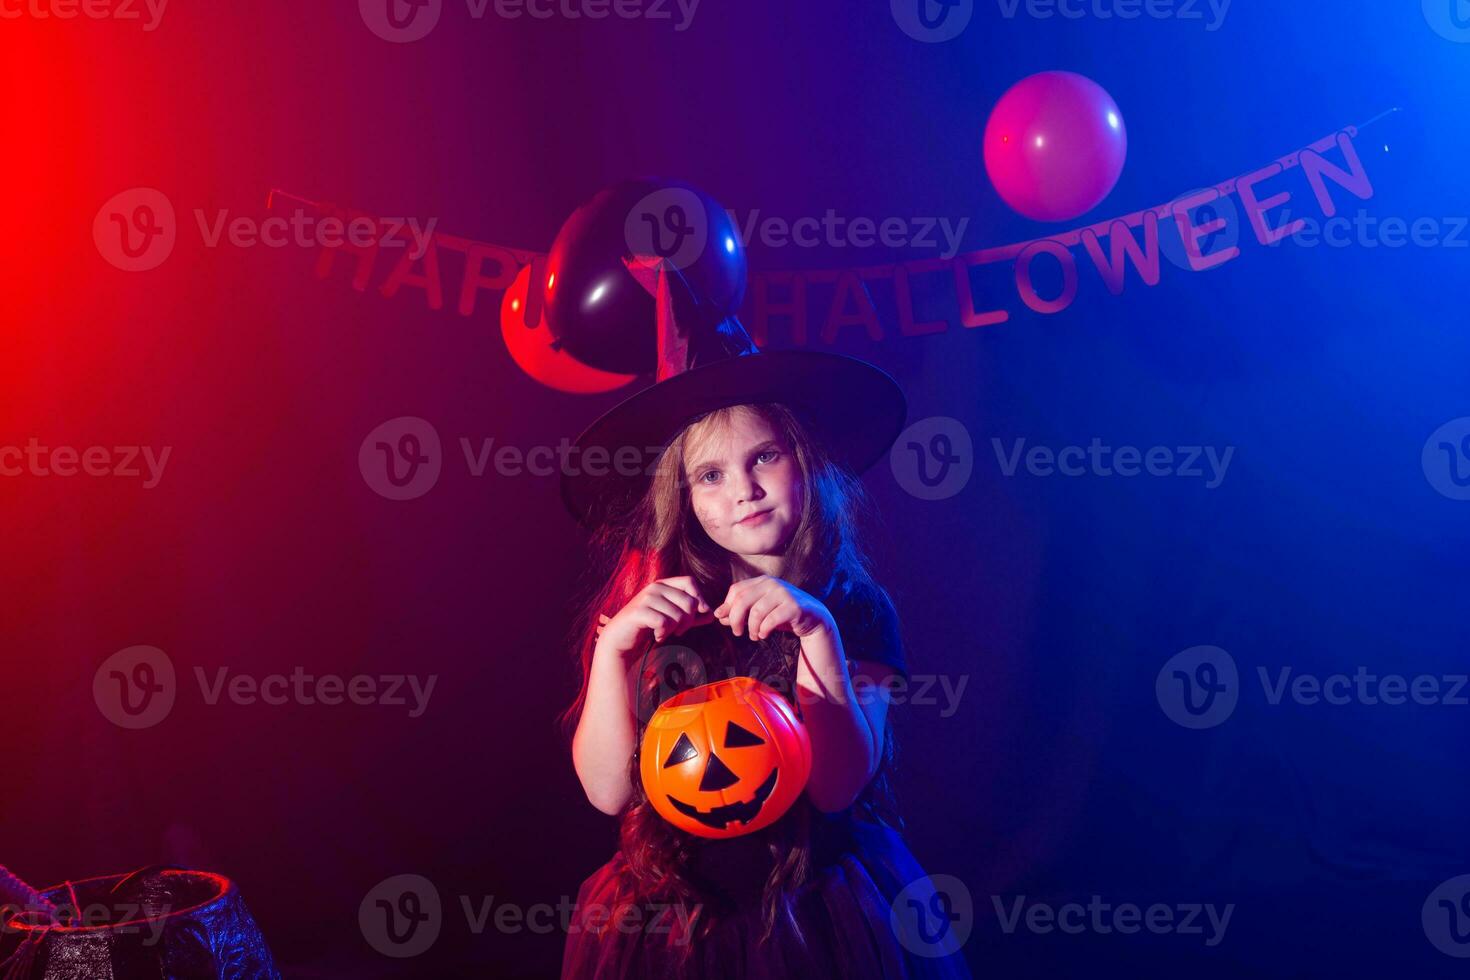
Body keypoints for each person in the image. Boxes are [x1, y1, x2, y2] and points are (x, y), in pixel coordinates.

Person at [555, 261, 971, 978]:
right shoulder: (662, 615)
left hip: (813, 912)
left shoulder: (853, 611)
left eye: (764, 458)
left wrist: (816, 635)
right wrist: (614, 649)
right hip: (674, 917)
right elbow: (608, 790)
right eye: (710, 476)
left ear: (805, 461)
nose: (742, 491)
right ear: (682, 499)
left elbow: (838, 783)